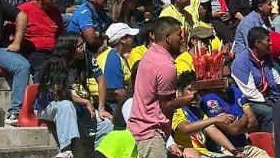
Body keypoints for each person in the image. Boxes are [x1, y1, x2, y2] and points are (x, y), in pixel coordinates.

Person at [36, 32, 115, 157]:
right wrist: (85, 102)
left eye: (83, 44)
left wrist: (101, 108)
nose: (83, 48)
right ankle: (66, 151)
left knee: (106, 124)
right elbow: (60, 94)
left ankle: (100, 154)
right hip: (48, 106)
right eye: (80, 46)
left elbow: (102, 80)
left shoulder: (87, 58)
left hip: (77, 109)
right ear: (69, 49)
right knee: (66, 105)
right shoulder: (55, 64)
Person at [128, 17, 197, 158]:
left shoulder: (150, 54)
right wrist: (188, 98)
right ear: (167, 37)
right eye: (179, 35)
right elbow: (166, 105)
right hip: (151, 133)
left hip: (142, 129)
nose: (183, 40)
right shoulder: (166, 66)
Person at [230, 26, 280, 131]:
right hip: (250, 102)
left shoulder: (266, 57)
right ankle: (268, 143)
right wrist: (275, 104)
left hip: (269, 98)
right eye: (267, 40)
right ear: (257, 43)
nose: (270, 43)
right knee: (271, 113)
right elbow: (250, 93)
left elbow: (276, 78)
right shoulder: (241, 62)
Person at [19, 0, 64, 79]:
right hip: (32, 51)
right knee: (43, 69)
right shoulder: (24, 9)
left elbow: (60, 35)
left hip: (53, 52)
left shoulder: (56, 13)